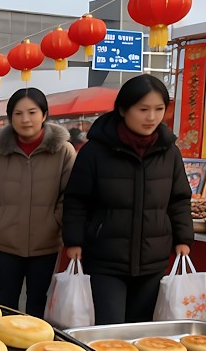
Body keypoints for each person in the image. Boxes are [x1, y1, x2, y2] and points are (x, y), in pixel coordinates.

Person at [63, 74, 193, 325]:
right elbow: (76, 199)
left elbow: (179, 199)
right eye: (143, 109)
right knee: (109, 330)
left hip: (153, 259)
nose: (152, 117)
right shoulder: (95, 151)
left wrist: (183, 238)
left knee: (140, 330)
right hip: (105, 259)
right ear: (123, 109)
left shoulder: (169, 151)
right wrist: (74, 240)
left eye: (158, 109)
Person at [0, 88, 76, 317]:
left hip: (46, 242)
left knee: (37, 302)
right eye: (18, 113)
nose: (26, 119)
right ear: (11, 117)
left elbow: (70, 195)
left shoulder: (63, 151)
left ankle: (34, 349)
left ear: (45, 114)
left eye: (32, 112)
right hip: (6, 240)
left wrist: (54, 221)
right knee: (6, 300)